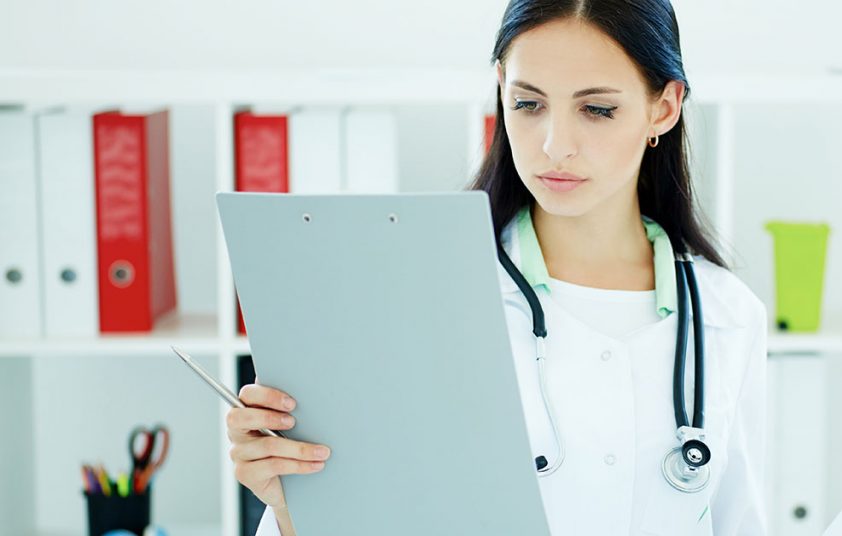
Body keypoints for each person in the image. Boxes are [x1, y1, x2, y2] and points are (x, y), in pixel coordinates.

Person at [228, 0, 768, 534]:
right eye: (528, 104)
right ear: (501, 90)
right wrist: (294, 504)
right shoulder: (422, 294)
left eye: (597, 109)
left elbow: (740, 523)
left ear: (664, 108)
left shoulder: (728, 316)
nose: (555, 146)